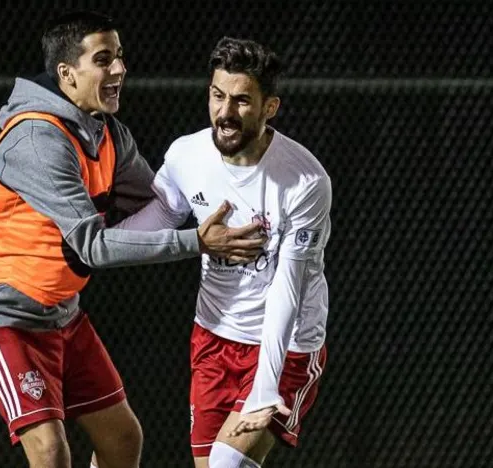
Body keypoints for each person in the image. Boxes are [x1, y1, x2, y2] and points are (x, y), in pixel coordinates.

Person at [0, 13, 266, 468]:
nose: (119, 69)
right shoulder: (38, 140)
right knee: (50, 451)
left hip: (57, 310)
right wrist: (199, 242)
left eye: (120, 57)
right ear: (67, 74)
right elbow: (92, 247)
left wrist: (241, 196)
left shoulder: (108, 134)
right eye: (103, 59)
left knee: (121, 438)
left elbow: (163, 205)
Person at [114, 37, 331, 467]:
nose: (225, 113)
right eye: (217, 96)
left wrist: (267, 383)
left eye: (241, 101)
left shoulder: (305, 181)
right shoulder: (185, 154)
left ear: (270, 107)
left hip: (285, 346)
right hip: (212, 337)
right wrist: (93, 247)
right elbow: (161, 213)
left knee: (226, 464)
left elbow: (289, 284)